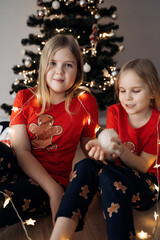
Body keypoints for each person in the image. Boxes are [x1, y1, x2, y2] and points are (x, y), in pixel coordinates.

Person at [50, 58, 160, 240]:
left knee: (109, 175)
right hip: (113, 177)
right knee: (86, 165)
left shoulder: (157, 122)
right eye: (122, 91)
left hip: (147, 185)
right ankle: (60, 235)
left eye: (136, 91)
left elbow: (142, 166)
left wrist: (122, 151)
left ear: (153, 92)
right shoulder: (115, 112)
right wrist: (101, 149)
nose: (127, 97)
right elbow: (111, 157)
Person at [0, 34, 99, 229]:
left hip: (49, 180)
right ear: (44, 65)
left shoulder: (85, 102)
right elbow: (21, 151)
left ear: (78, 69)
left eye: (68, 65)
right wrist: (55, 193)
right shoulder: (24, 97)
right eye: (53, 63)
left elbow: (91, 150)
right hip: (15, 163)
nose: (59, 72)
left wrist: (61, 192)